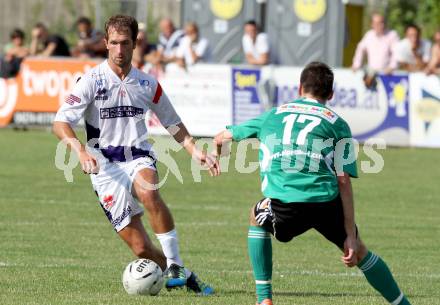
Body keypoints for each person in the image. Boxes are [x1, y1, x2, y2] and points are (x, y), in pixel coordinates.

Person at [213, 62, 412, 305]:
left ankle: (264, 299)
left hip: (286, 205)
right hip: (324, 202)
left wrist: (219, 152)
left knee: (256, 216)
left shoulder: (273, 115)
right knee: (359, 252)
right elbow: (343, 180)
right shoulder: (338, 124)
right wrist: (350, 234)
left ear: (299, 88)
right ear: (331, 94)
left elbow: (223, 136)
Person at [52, 15, 219, 295]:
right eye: (114, 43)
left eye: (125, 43)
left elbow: (172, 122)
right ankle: (186, 275)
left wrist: (194, 150)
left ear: (135, 43)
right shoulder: (91, 80)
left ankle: (176, 264)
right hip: (103, 167)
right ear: (105, 43)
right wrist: (79, 150)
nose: (119, 49)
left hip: (138, 155)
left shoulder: (147, 84)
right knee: (141, 248)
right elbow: (60, 122)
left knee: (149, 192)